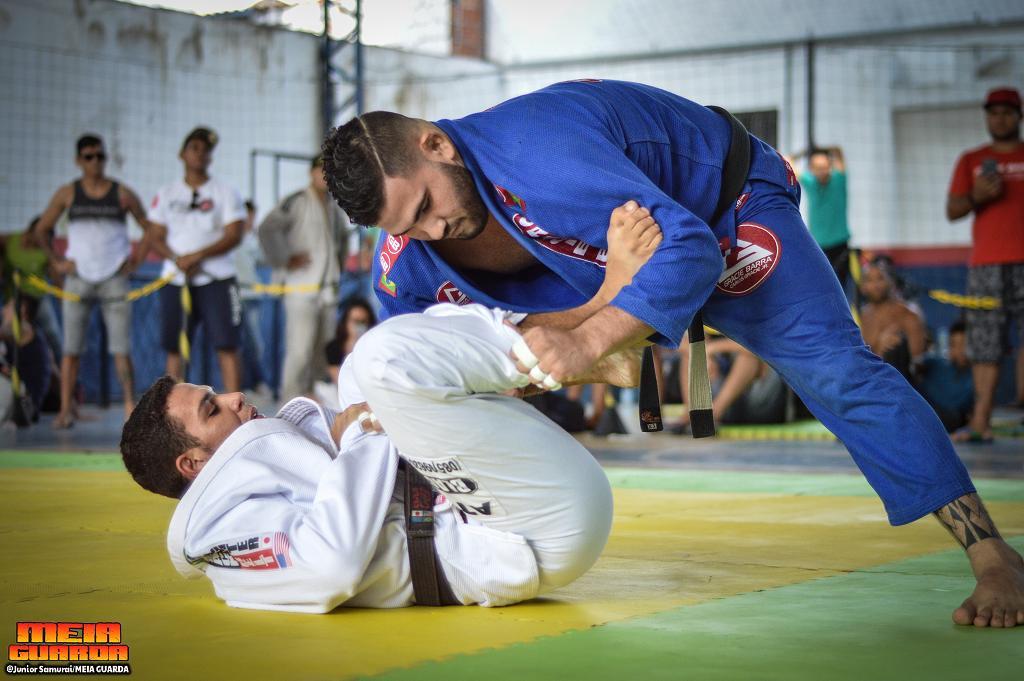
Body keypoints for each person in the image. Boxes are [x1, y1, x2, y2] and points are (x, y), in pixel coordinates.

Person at [321, 79, 1024, 627]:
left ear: (435, 144)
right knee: (454, 354)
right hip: (605, 262)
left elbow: (687, 246)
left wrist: (588, 335)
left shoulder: (539, 150)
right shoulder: (406, 256)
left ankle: (992, 555)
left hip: (725, 209)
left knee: (839, 374)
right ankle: (620, 321)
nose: (433, 228)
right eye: (408, 226)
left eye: (426, 206)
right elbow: (431, 362)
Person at [118, 207, 659, 612]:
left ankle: (591, 351)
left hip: (489, 506)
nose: (235, 397)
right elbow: (330, 565)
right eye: (213, 409)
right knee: (380, 360)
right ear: (191, 463)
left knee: (361, 367)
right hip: (524, 539)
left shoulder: (253, 485)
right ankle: (603, 312)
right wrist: (366, 434)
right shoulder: (222, 534)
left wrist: (358, 426)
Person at [33, 134, 150, 427]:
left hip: (114, 278)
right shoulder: (67, 194)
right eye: (88, 157)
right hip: (78, 279)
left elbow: (149, 228)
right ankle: (65, 409)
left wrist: (135, 261)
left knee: (121, 348)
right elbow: (42, 228)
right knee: (70, 349)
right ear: (78, 161)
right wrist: (56, 261)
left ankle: (127, 405)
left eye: (99, 156)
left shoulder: (122, 193)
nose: (95, 162)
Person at [946, 87, 1024, 440]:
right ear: (987, 117)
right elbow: (952, 211)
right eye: (994, 112)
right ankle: (981, 421)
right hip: (987, 263)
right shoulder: (971, 159)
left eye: (1008, 112)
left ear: (1019, 116)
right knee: (985, 343)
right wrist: (977, 196)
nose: (1001, 118)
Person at [146, 127, 246, 392]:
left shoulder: (225, 191)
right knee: (175, 348)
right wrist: (178, 259)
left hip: (218, 279)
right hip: (176, 279)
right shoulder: (167, 193)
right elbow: (154, 235)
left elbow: (234, 234)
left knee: (227, 344)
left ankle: (237, 410)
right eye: (195, 148)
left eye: (206, 151)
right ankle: (176, 415)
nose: (201, 155)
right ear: (182, 154)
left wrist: (198, 256)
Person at [258, 154, 348, 400]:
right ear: (311, 173)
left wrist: (338, 269)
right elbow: (267, 228)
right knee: (300, 349)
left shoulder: (334, 206)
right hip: (301, 286)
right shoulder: (296, 201)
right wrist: (284, 258)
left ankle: (319, 401)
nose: (324, 176)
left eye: (329, 171)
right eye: (321, 170)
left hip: (327, 288)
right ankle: (290, 401)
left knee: (324, 351)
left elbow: (343, 240)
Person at [857, 256, 927, 381]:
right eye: (869, 280)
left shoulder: (908, 315)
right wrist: (879, 349)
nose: (875, 285)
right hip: (867, 385)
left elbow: (918, 366)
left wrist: (896, 352)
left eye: (880, 278)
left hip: (902, 385)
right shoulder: (859, 317)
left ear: (891, 282)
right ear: (862, 286)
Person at [793, 146, 852, 290]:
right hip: (819, 246)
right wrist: (803, 152)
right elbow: (788, 162)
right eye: (818, 168)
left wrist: (821, 148)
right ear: (811, 170)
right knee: (820, 286)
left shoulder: (839, 180)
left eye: (825, 167)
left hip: (840, 245)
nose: (823, 171)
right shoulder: (810, 183)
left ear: (830, 167)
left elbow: (838, 151)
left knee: (843, 287)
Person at [919, 321, 975, 434]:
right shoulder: (936, 363)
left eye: (963, 345)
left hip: (949, 418)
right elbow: (915, 365)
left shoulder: (976, 376)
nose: (959, 350)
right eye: (954, 345)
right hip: (923, 407)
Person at [324, 296, 376, 387]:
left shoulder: (375, 346)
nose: (359, 326)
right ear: (346, 322)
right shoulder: (333, 348)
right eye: (356, 321)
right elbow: (338, 379)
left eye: (363, 322)